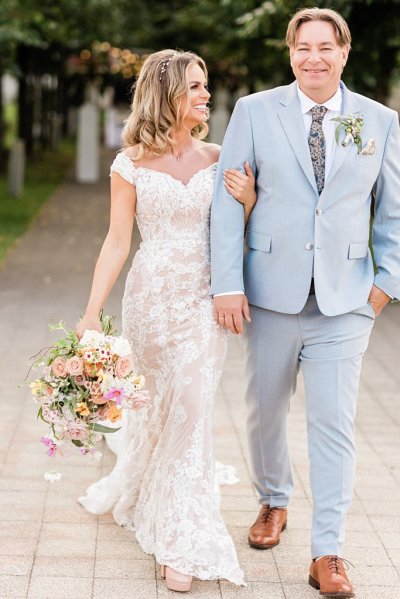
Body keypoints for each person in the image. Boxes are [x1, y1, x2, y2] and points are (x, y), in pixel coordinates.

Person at [211, 7, 400, 599]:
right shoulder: (254, 111)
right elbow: (225, 202)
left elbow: (392, 211)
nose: (313, 58)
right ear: (289, 53)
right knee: (264, 411)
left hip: (346, 300)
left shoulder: (379, 121)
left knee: (334, 425)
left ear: (345, 52)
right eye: (302, 47)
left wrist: (385, 283)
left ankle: (328, 553)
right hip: (269, 293)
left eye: (325, 47)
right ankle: (273, 499)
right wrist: (227, 283)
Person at [76, 49, 256, 592]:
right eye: (196, 87)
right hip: (150, 298)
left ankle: (180, 537)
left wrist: (247, 202)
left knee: (194, 408)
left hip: (203, 300)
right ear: (169, 93)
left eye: (206, 86)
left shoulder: (221, 156)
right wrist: (90, 314)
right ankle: (146, 488)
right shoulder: (129, 162)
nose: (206, 95)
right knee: (159, 408)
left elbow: (236, 232)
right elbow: (116, 241)